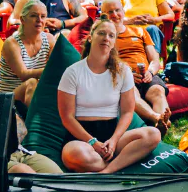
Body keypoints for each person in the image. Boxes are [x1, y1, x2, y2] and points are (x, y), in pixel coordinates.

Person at [58, 16, 161, 173]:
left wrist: (113, 141)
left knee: (153, 134)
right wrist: (93, 142)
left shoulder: (123, 70)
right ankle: (119, 164)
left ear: (114, 42)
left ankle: (106, 171)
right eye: (101, 33)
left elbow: (127, 112)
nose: (106, 38)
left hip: (112, 137)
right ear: (91, 37)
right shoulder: (72, 72)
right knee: (72, 154)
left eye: (111, 35)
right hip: (82, 139)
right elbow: (67, 117)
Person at [99, 0, 171, 132]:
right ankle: (157, 118)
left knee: (157, 91)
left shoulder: (139, 31)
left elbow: (155, 60)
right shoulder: (103, 37)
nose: (115, 14)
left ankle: (163, 121)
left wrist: (150, 72)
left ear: (123, 11)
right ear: (103, 16)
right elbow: (101, 63)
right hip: (122, 75)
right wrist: (126, 74)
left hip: (146, 73)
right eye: (110, 12)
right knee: (131, 93)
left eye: (117, 10)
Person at [0, 0, 55, 115]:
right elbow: (24, 75)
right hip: (7, 98)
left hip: (35, 94)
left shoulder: (49, 40)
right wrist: (53, 70)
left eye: (43, 16)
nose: (39, 20)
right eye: (34, 16)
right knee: (32, 82)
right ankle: (34, 123)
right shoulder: (12, 43)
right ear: (22, 20)